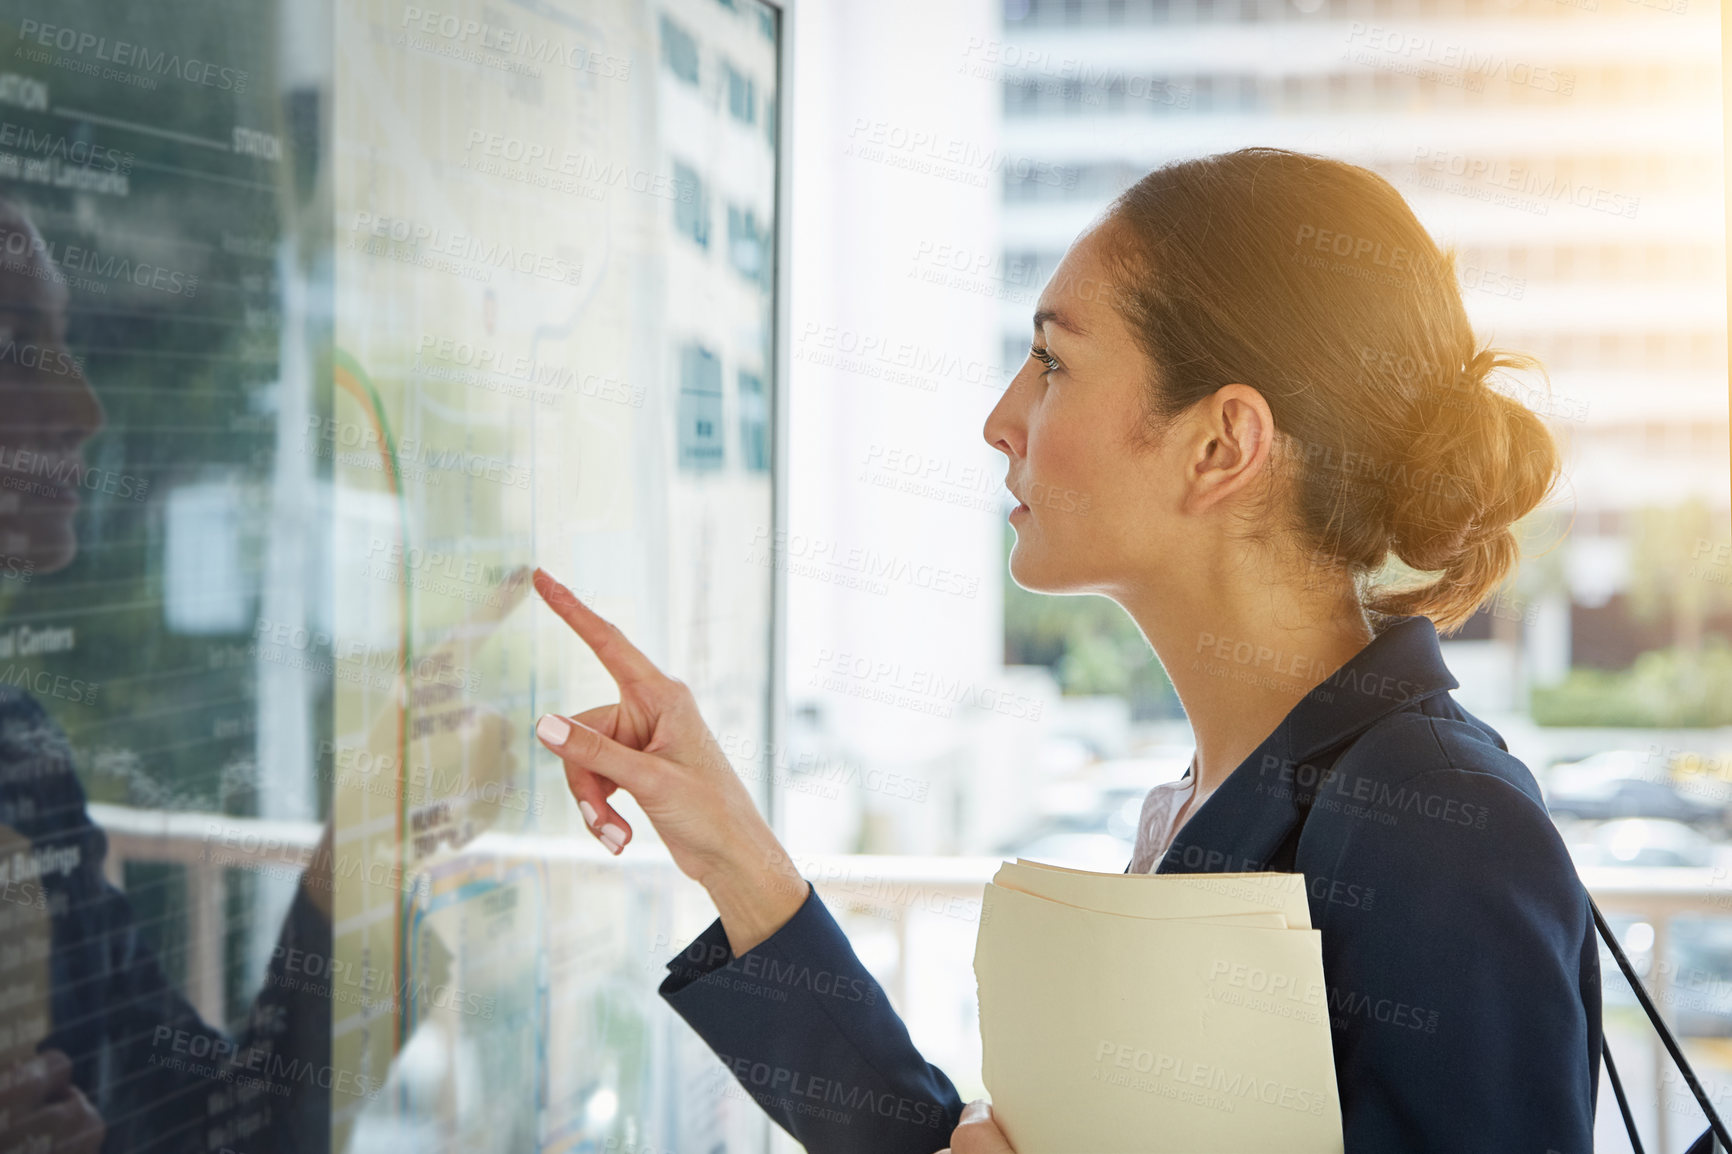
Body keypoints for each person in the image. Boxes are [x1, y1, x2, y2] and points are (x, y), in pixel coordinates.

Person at [529, 148, 1596, 1153]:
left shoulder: (1445, 825)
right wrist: (732, 852)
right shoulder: (1227, 791)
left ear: (1220, 445)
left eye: (1053, 361)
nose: (1002, 418)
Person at [0, 193, 336, 1154]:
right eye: (11, 348)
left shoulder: (22, 761)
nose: (82, 410)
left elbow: (229, 1128)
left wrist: (360, 862)